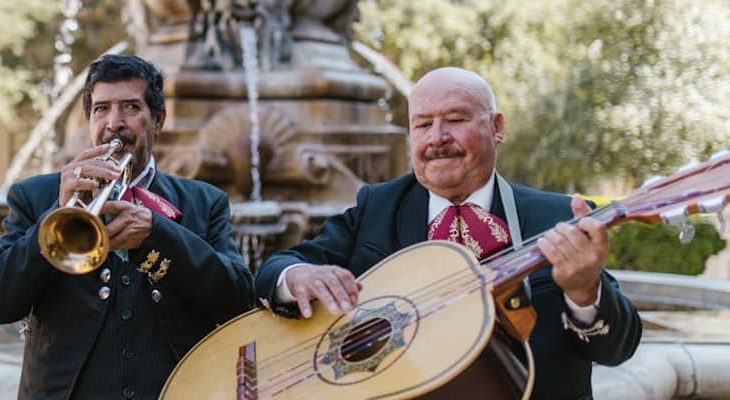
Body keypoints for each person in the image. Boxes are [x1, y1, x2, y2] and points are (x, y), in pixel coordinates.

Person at [255, 67, 641, 399]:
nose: (436, 137)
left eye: (455, 120)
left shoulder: (558, 217)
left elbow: (618, 348)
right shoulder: (378, 205)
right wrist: (297, 276)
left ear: (497, 127)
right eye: (423, 124)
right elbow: (278, 269)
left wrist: (584, 292)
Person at [0, 54, 255, 399]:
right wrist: (57, 212)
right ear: (87, 120)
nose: (114, 123)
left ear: (159, 120)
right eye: (101, 109)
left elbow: (239, 302)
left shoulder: (204, 201)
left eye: (131, 108)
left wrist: (159, 234)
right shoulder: (34, 196)